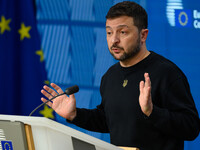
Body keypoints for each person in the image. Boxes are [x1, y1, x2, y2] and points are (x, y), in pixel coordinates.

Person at [41, 1, 200, 150]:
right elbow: (108, 120)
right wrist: (75, 114)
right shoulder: (110, 76)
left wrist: (152, 112)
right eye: (109, 32)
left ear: (143, 35)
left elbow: (191, 127)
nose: (114, 40)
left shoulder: (167, 73)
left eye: (123, 32)